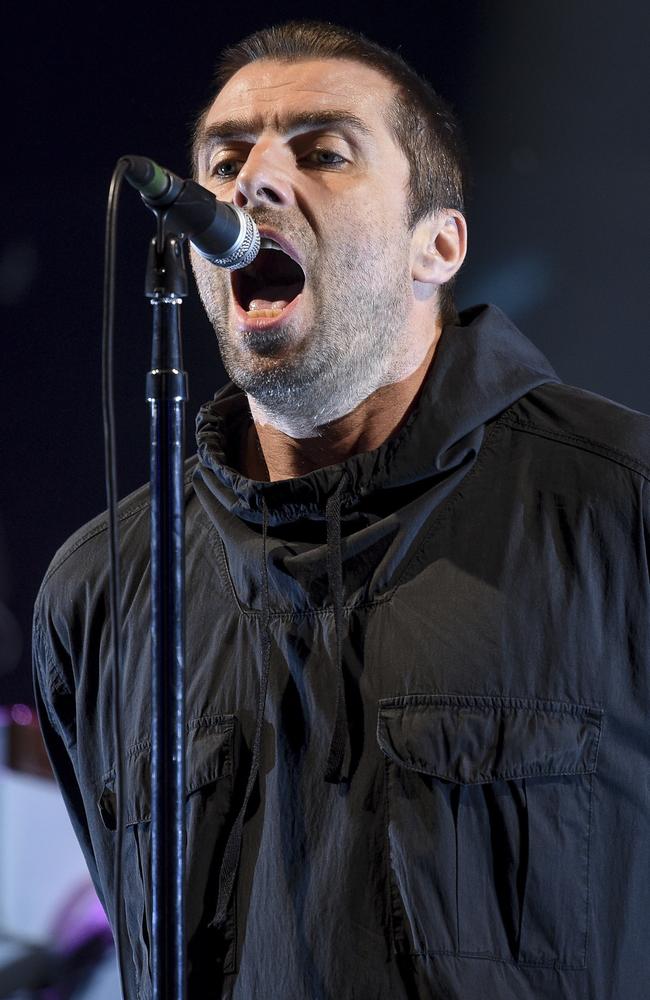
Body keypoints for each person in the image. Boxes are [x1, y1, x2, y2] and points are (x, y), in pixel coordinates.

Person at [33, 20, 649, 1000]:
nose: (251, 183)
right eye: (225, 159)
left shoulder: (618, 505)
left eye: (321, 152)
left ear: (436, 245)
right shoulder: (101, 586)